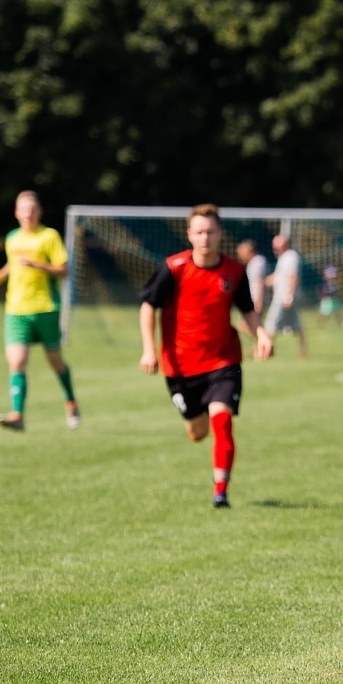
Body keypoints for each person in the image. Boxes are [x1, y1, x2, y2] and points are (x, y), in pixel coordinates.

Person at [138, 205, 274, 508]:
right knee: (198, 432)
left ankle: (220, 491)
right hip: (180, 367)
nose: (205, 238)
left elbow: (247, 310)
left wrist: (262, 335)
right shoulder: (173, 268)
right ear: (189, 234)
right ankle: (195, 426)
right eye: (199, 232)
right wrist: (149, 349)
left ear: (220, 234)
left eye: (210, 232)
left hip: (223, 360)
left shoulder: (234, 271)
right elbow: (148, 306)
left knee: (221, 420)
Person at [0, 190, 80, 431]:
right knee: (16, 362)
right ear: (16, 213)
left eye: (32, 209)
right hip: (16, 310)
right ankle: (17, 415)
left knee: (55, 362)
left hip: (46, 307)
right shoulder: (12, 238)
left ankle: (70, 400)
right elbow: (12, 264)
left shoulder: (49, 236)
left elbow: (64, 270)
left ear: (40, 212)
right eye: (24, 209)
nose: (28, 214)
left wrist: (37, 264)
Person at [263, 234, 308, 358]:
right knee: (296, 324)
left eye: (277, 243)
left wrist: (289, 296)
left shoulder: (291, 256)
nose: (274, 246)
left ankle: (264, 351)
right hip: (285, 297)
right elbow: (278, 277)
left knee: (271, 323)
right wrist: (262, 282)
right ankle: (303, 352)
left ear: (285, 244)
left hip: (284, 298)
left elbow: (293, 277)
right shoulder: (283, 258)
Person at [237, 238, 269, 313]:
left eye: (241, 252)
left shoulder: (257, 263)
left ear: (248, 251)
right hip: (252, 300)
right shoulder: (253, 262)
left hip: (255, 300)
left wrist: (258, 301)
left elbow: (260, 282)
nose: (240, 256)